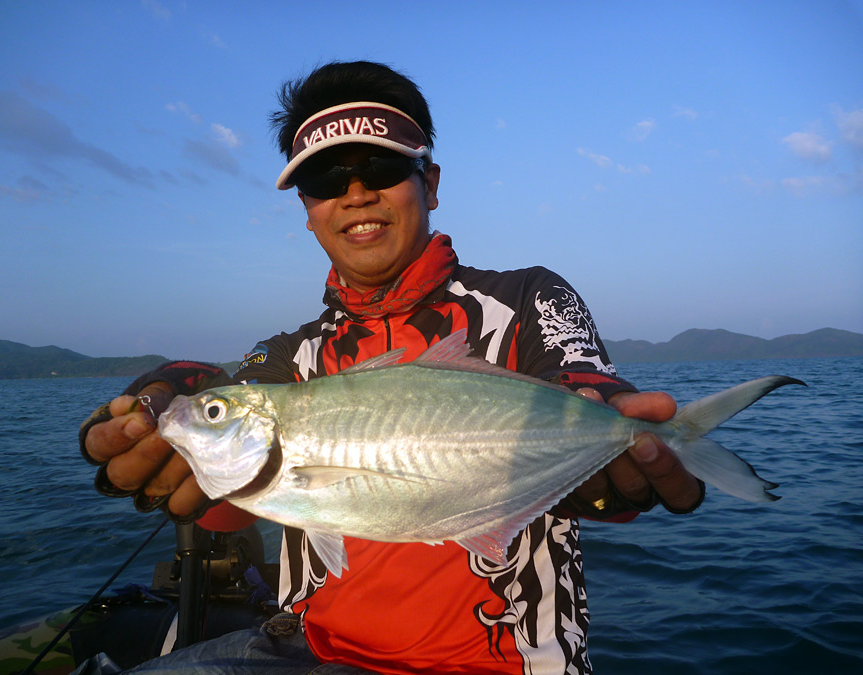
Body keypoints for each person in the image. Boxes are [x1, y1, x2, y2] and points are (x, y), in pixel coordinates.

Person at [80, 60, 703, 674]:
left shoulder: (527, 301)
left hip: (500, 664)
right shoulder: (289, 356)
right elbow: (227, 490)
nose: (356, 193)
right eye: (326, 178)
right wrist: (164, 409)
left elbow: (584, 387)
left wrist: (612, 443)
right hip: (312, 650)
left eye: (381, 166)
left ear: (429, 183)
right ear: (307, 208)